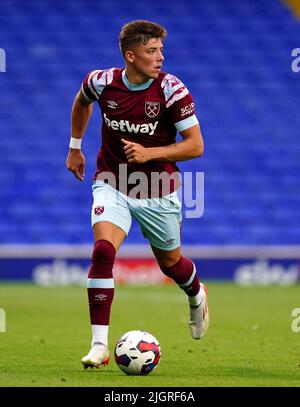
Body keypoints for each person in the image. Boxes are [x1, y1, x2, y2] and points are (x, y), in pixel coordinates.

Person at [66, 20, 209, 369]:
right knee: (102, 250)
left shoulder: (171, 90)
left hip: (157, 189)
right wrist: (75, 146)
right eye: (151, 51)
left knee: (171, 264)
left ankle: (197, 294)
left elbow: (196, 146)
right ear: (131, 56)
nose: (160, 57)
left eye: (160, 50)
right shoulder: (101, 82)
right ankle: (99, 345)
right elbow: (82, 101)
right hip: (112, 180)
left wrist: (149, 153)